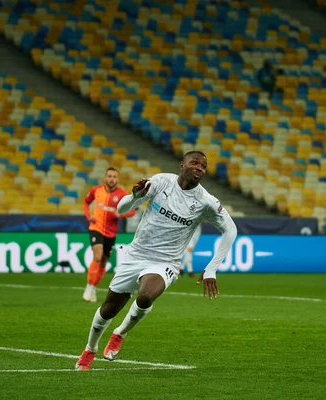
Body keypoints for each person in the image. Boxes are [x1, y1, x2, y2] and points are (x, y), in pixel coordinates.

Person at [75, 151, 237, 370]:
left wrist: (211, 269)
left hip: (165, 262)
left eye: (203, 166)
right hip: (136, 255)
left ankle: (120, 333)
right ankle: (90, 349)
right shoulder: (161, 182)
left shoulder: (205, 201)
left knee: (146, 295)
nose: (199, 168)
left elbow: (230, 230)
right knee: (108, 309)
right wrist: (133, 196)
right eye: (195, 163)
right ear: (182, 165)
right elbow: (123, 209)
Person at [82, 167, 136, 303]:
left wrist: (122, 214)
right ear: (105, 178)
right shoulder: (97, 190)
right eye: (110, 176)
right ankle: (88, 286)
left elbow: (133, 211)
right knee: (98, 256)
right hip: (96, 228)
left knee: (103, 262)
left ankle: (94, 287)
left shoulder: (123, 194)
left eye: (114, 177)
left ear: (117, 179)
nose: (112, 179)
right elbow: (86, 203)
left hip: (111, 233)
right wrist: (89, 216)